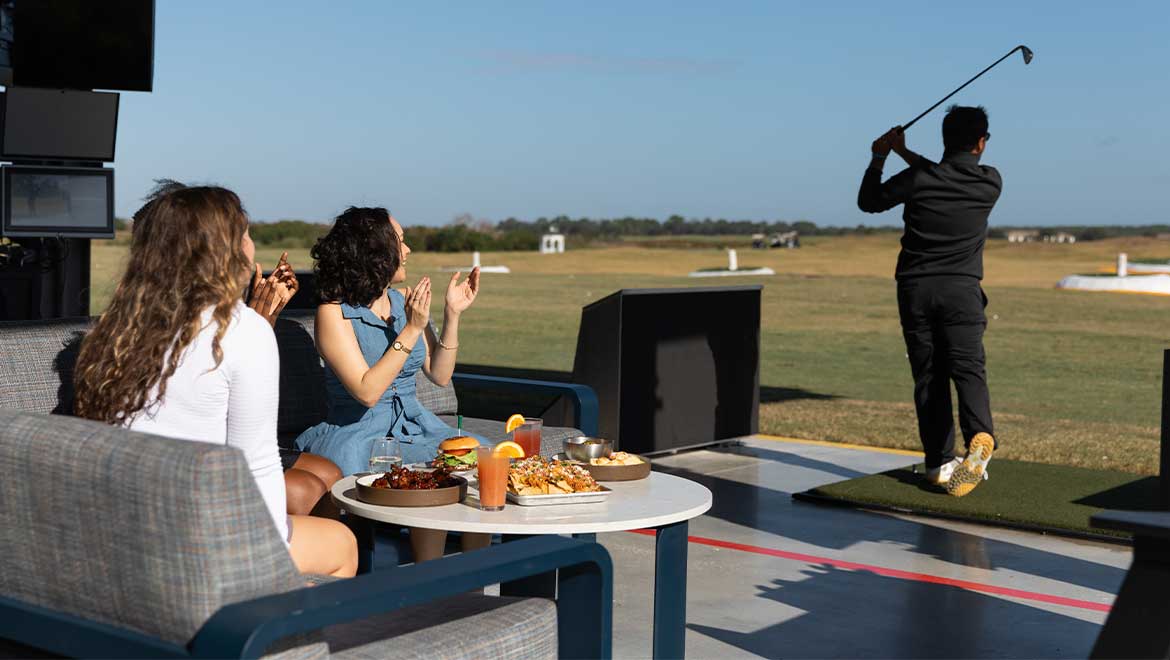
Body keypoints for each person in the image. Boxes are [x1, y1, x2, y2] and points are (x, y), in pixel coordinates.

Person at [73, 181, 357, 576]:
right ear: (225, 250)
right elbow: (255, 463)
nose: (252, 244)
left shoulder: (116, 328)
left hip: (120, 528)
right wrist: (267, 567)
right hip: (196, 538)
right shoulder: (242, 330)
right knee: (342, 543)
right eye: (245, 233)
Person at [857, 105, 1001, 497]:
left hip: (916, 290)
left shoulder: (918, 179)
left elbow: (870, 201)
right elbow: (942, 173)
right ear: (981, 143)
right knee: (968, 369)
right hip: (962, 291)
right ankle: (980, 435)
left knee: (929, 375)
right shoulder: (990, 181)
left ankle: (938, 463)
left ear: (945, 139)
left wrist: (881, 156)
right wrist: (905, 152)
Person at [294, 206, 483, 475]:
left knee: (488, 459)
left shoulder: (404, 300)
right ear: (373, 252)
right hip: (360, 435)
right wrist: (411, 329)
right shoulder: (333, 313)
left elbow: (440, 375)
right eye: (400, 241)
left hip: (416, 428)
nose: (407, 250)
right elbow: (367, 393)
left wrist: (452, 314)